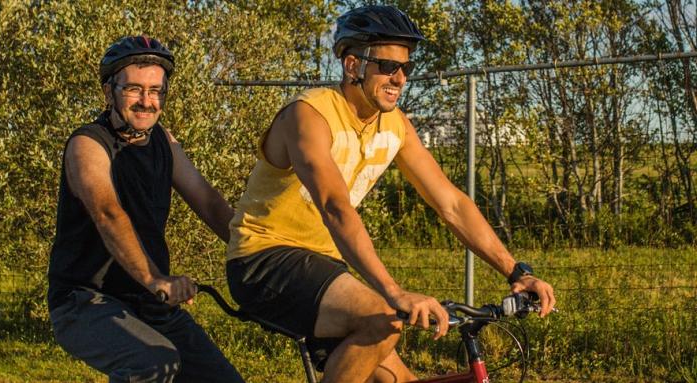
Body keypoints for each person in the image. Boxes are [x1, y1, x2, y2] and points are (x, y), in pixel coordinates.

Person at [225, 6, 556, 383]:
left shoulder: (394, 125)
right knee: (381, 319)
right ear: (353, 65)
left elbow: (450, 203)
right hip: (264, 260)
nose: (399, 78)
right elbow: (335, 207)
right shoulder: (309, 115)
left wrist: (516, 271)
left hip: (324, 267)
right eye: (387, 66)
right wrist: (393, 292)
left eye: (406, 68)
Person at [47, 35, 244, 383]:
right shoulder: (88, 144)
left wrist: (258, 252)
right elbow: (108, 213)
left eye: (156, 91)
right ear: (109, 92)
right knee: (152, 363)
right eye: (134, 89)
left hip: (148, 303)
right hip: (84, 302)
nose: (146, 101)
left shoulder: (164, 143)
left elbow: (210, 203)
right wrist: (155, 278)